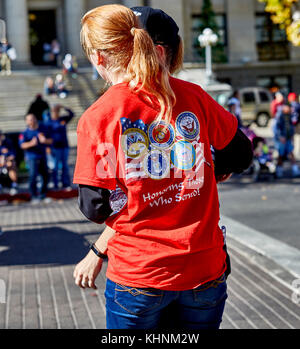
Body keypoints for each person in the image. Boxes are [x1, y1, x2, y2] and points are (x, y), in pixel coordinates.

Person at [73, 5, 252, 330]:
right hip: (203, 271)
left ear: (99, 58)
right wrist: (206, 170)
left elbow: (94, 206)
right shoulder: (194, 96)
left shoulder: (100, 116)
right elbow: (240, 153)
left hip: (139, 275)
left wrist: (133, 191)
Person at [19, 114, 53, 202]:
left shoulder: (43, 129)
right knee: (33, 176)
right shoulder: (25, 133)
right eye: (30, 120)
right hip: (32, 157)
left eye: (33, 118)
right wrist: (31, 143)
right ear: (27, 121)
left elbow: (51, 140)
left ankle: (43, 195)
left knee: (45, 175)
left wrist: (45, 141)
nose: (32, 121)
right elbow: (22, 145)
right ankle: (33, 196)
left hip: (42, 156)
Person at [47, 105, 74, 190]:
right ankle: (55, 184)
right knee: (55, 166)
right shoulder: (49, 122)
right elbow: (47, 135)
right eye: (54, 111)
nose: (55, 113)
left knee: (65, 166)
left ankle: (65, 183)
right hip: (55, 147)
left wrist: (63, 107)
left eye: (57, 111)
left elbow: (72, 114)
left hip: (64, 146)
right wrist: (47, 147)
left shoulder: (62, 119)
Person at [274, 104, 299, 178]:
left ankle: (295, 169)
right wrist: (280, 137)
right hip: (282, 139)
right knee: (281, 155)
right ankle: (279, 170)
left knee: (291, 153)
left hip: (288, 138)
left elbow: (291, 127)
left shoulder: (289, 116)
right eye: (287, 108)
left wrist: (292, 136)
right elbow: (277, 128)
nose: (289, 109)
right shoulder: (280, 116)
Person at [0, 130, 18, 194]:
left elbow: (13, 155)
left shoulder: (8, 142)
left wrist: (6, 159)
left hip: (7, 163)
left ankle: (14, 186)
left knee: (11, 165)